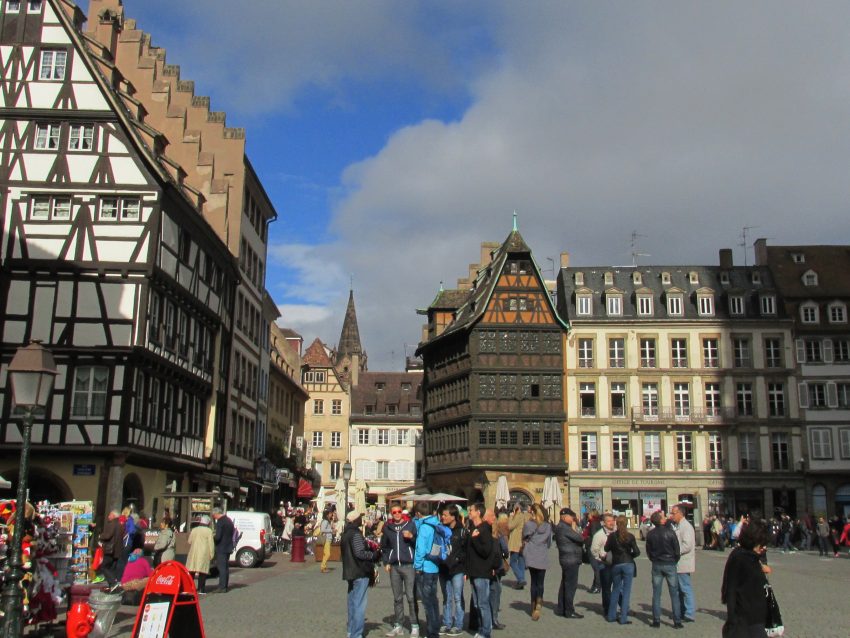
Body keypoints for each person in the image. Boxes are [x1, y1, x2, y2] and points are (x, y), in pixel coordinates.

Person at [721, 519, 773, 638]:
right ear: (753, 542)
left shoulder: (750, 556)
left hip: (756, 616)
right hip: (745, 618)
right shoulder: (740, 558)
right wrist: (732, 620)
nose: (764, 548)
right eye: (761, 545)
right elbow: (731, 589)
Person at [342, 510, 382, 638]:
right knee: (359, 604)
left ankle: (351, 630)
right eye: (360, 517)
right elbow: (360, 553)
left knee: (352, 602)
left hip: (350, 571)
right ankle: (356, 634)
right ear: (355, 520)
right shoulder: (355, 534)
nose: (361, 520)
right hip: (360, 571)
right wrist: (373, 554)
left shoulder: (346, 533)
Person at [381, 504, 418, 637]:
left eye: (399, 511)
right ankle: (399, 625)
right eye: (394, 512)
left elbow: (417, 543)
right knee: (397, 598)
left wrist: (411, 537)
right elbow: (384, 546)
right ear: (391, 514)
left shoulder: (410, 525)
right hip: (394, 566)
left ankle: (415, 625)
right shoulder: (388, 528)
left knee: (411, 596)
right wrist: (386, 561)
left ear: (402, 512)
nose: (397, 514)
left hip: (408, 565)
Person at [645, 510, 683, 628]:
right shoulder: (670, 532)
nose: (665, 518)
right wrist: (674, 560)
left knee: (656, 593)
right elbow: (677, 550)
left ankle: (656, 621)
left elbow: (648, 551)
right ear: (660, 520)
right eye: (663, 517)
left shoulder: (650, 534)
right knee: (674, 593)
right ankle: (677, 621)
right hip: (670, 563)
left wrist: (654, 559)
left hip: (657, 563)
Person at [604, 515, 640, 624]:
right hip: (628, 564)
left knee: (615, 589)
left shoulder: (612, 536)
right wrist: (629, 556)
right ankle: (623, 617)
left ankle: (611, 616)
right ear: (626, 523)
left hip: (616, 564)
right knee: (626, 591)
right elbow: (637, 552)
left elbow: (606, 548)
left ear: (616, 524)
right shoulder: (630, 536)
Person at [413, 501, 442, 638]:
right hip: (435, 566)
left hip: (425, 568)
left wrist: (417, 567)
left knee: (427, 601)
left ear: (418, 513)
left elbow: (420, 550)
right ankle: (436, 627)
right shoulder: (436, 523)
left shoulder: (424, 528)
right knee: (434, 600)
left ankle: (432, 632)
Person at [465, 503, 493, 638]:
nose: (469, 512)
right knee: (477, 604)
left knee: (482, 603)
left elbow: (486, 551)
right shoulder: (473, 529)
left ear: (478, 513)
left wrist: (474, 540)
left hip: (482, 572)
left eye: (471, 510)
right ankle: (481, 629)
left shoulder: (484, 530)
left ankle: (486, 632)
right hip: (474, 572)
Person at [521, 503, 552, 621]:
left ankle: (533, 605)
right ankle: (539, 600)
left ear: (533, 512)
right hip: (542, 554)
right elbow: (549, 543)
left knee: (533, 582)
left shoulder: (529, 524)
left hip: (532, 554)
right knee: (541, 582)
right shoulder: (548, 526)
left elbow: (524, 536)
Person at [438, 505, 466, 636]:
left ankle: (458, 624)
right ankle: (447, 622)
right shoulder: (441, 530)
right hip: (443, 568)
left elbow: (466, 551)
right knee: (446, 597)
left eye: (445, 515)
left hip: (457, 569)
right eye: (442, 515)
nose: (442, 517)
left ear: (453, 517)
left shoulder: (462, 531)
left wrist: (457, 560)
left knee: (457, 597)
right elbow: (437, 546)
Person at [552, 507, 584, 619]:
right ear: (565, 517)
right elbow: (580, 538)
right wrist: (576, 527)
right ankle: (569, 610)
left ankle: (561, 608)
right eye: (572, 517)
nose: (573, 519)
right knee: (570, 586)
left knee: (565, 584)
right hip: (571, 559)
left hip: (566, 559)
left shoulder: (561, 527)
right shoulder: (565, 528)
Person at [670, 504, 696, 622]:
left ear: (680, 513)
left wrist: (675, 551)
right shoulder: (678, 525)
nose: (672, 515)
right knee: (679, 589)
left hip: (683, 563)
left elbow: (687, 545)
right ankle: (681, 611)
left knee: (685, 588)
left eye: (673, 513)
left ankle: (689, 613)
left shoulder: (686, 526)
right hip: (679, 563)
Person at [486, 509, 508, 631]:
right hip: (496, 567)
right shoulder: (498, 535)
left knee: (484, 593)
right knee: (496, 592)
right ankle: (493, 619)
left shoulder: (482, 532)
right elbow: (505, 550)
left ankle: (484, 619)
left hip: (484, 568)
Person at [590, 512, 616, 616]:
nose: (611, 523)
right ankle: (607, 608)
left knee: (617, 587)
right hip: (604, 564)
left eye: (612, 521)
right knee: (606, 588)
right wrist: (600, 557)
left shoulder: (616, 532)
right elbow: (594, 550)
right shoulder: (599, 534)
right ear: (603, 523)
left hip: (616, 563)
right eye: (608, 521)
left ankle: (620, 607)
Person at [186, 515, 215, 594]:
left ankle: (190, 588)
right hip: (203, 553)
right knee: (202, 571)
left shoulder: (194, 530)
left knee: (192, 570)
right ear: (208, 523)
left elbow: (189, 541)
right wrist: (212, 554)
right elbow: (211, 544)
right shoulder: (209, 531)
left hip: (193, 552)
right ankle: (201, 589)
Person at [97, 509, 124, 590]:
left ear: (114, 516)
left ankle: (113, 583)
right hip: (117, 550)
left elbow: (108, 535)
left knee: (104, 567)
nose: (108, 517)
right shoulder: (120, 524)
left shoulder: (112, 523)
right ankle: (112, 585)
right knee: (111, 568)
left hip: (110, 550)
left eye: (110, 515)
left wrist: (100, 536)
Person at [211, 507, 235, 593]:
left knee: (221, 568)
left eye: (213, 515)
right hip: (228, 546)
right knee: (225, 568)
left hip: (221, 547)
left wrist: (213, 538)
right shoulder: (229, 520)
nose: (213, 517)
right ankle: (225, 585)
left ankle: (222, 587)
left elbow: (218, 537)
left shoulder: (220, 522)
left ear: (217, 514)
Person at [507, 503, 528, 589]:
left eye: (514, 507)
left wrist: (511, 516)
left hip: (516, 542)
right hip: (522, 542)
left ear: (517, 508)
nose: (513, 508)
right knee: (521, 562)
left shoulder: (518, 516)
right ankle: (520, 582)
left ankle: (521, 579)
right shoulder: (525, 516)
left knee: (512, 562)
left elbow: (509, 526)